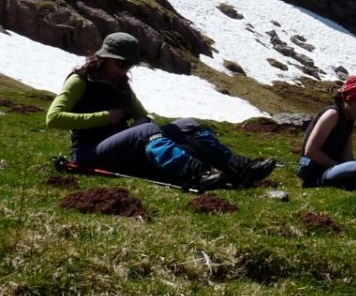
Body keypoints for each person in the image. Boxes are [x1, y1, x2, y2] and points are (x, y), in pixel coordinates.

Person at [45, 32, 276, 189]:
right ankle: (195, 175)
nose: (124, 70)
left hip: (119, 149)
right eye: (120, 64)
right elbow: (53, 118)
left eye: (129, 65)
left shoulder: (121, 84)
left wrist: (143, 121)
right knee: (147, 130)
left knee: (188, 124)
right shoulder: (80, 81)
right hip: (88, 154)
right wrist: (105, 118)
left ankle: (240, 169)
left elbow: (142, 116)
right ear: (103, 58)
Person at [298, 75, 356, 190]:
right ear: (351, 100)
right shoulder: (332, 115)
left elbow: (348, 157)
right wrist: (338, 166)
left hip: (333, 169)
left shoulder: (349, 120)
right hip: (315, 173)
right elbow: (311, 151)